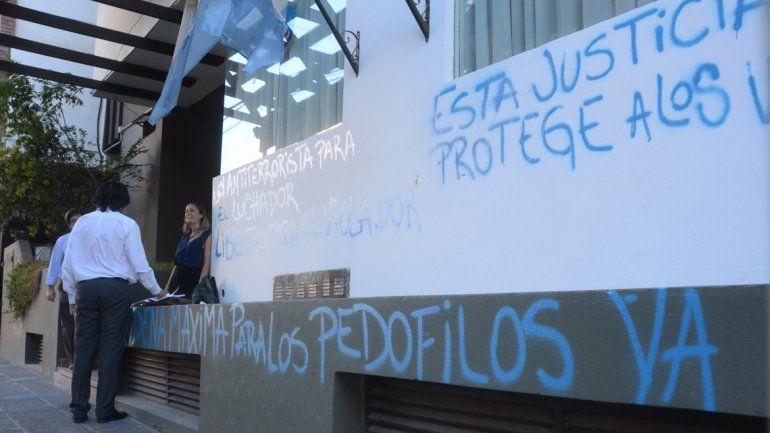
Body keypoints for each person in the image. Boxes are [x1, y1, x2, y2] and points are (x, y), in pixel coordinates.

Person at [61, 181, 167, 424]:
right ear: (123, 201)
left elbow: (68, 262)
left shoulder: (83, 222)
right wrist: (158, 292)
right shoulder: (127, 224)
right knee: (111, 349)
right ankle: (104, 410)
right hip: (115, 290)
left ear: (98, 198)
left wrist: (71, 295)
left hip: (86, 289)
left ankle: (78, 409)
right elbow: (140, 265)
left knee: (83, 350)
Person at [45, 208, 82, 369]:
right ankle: (72, 359)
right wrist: (50, 287)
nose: (77, 223)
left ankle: (85, 359)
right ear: (69, 225)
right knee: (68, 325)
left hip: (86, 286)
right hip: (66, 286)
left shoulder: (91, 239)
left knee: (85, 323)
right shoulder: (63, 241)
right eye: (73, 220)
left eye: (80, 219)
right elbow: (54, 264)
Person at [164, 202, 212, 299]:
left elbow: (207, 263)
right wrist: (166, 288)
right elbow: (177, 264)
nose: (188, 213)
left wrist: (199, 289)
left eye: (192, 210)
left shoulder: (207, 235)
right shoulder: (185, 236)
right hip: (176, 283)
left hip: (192, 283)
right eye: (186, 211)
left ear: (201, 215)